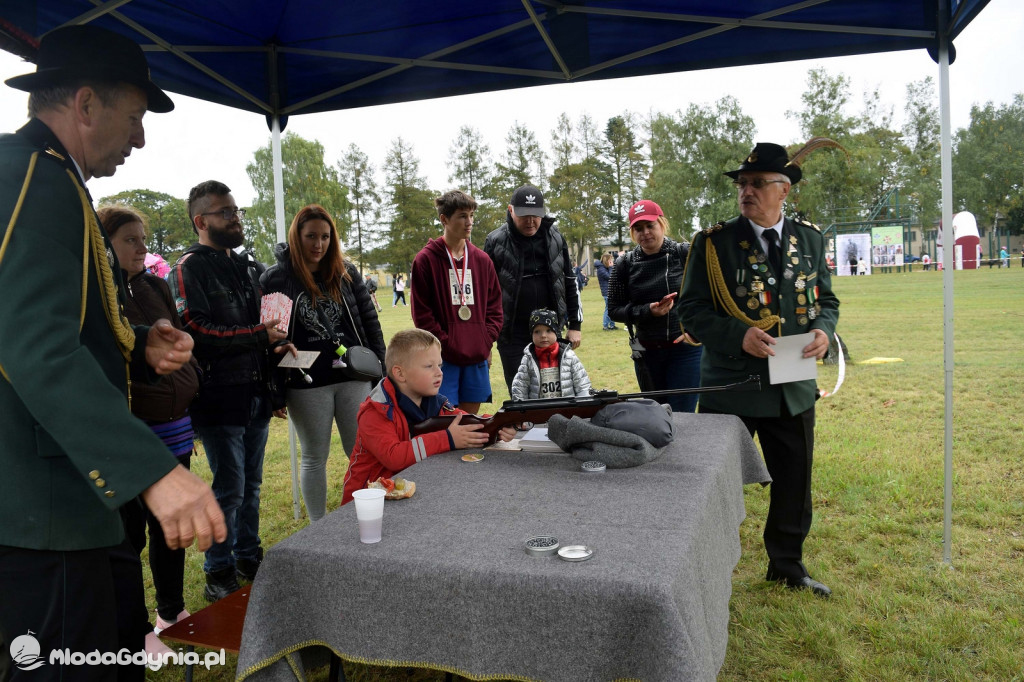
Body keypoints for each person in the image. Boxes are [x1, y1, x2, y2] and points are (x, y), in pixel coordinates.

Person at [0, 25, 224, 679]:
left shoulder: (52, 180)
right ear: (87, 105)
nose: (141, 137)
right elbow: (33, 348)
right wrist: (151, 471)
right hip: (47, 518)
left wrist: (131, 343)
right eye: (134, 117)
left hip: (68, 509)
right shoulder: (33, 182)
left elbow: (53, 324)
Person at [679, 141, 840, 598]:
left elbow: (825, 301)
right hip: (732, 380)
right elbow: (692, 310)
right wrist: (738, 334)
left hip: (792, 376)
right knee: (711, 482)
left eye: (756, 184)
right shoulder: (714, 243)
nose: (745, 191)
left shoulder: (809, 238)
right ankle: (699, 568)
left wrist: (824, 331)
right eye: (742, 184)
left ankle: (787, 565)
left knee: (794, 477)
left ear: (783, 190)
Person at [169, 180, 292, 602]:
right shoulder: (188, 268)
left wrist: (274, 346)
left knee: (252, 484)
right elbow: (197, 332)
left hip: (255, 390)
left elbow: (258, 324)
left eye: (236, 210)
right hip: (217, 397)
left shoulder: (244, 266)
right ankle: (217, 570)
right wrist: (260, 335)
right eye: (226, 212)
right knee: (229, 487)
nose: (236, 218)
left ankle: (247, 554)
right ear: (201, 221)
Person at [99, 204, 200, 645]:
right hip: (134, 430)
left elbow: (175, 338)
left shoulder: (157, 285)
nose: (142, 247)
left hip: (175, 426)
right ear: (104, 244)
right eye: (129, 239)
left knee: (170, 527)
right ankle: (135, 629)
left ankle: (171, 611)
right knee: (129, 537)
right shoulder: (99, 297)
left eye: (143, 238)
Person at [260, 204, 385, 522]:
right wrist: (274, 391)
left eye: (325, 236)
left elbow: (369, 322)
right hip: (305, 381)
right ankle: (317, 526)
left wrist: (380, 369)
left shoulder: (345, 271)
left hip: (352, 375)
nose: (318, 244)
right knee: (314, 455)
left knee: (361, 451)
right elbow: (269, 341)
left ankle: (367, 513)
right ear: (296, 236)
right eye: (310, 236)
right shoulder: (275, 278)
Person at [340, 329, 516, 505]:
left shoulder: (434, 402)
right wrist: (446, 438)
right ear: (400, 373)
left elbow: (465, 421)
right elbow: (394, 457)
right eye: (429, 366)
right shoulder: (375, 411)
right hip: (365, 501)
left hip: (405, 496)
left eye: (440, 365)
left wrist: (497, 426)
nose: (439, 373)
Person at [411, 190, 502, 414]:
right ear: (444, 219)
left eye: (471, 215)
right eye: (462, 216)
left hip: (476, 357)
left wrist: (484, 341)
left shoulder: (482, 260)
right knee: (445, 420)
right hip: (444, 359)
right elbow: (422, 314)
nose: (469, 222)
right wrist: (446, 344)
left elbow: (495, 308)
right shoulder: (426, 260)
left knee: (471, 423)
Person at [484, 184, 583, 392]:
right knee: (520, 392)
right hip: (512, 334)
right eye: (524, 215)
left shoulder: (555, 237)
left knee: (554, 392)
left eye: (535, 215)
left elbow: (569, 280)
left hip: (551, 331)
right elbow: (486, 294)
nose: (530, 221)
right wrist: (487, 341)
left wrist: (575, 324)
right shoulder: (495, 241)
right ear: (511, 211)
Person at [607, 200, 702, 413]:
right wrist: (647, 311)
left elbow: (708, 297)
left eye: (650, 225)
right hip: (647, 353)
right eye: (638, 228)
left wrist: (696, 334)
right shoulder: (625, 263)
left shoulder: (684, 253)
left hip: (685, 350)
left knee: (681, 416)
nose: (645, 232)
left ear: (662, 224)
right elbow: (613, 309)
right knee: (656, 417)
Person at [511, 309, 592, 400]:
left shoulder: (569, 356)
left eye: (548, 330)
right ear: (531, 334)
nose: (543, 335)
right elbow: (520, 388)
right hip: (538, 411)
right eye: (537, 331)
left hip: (567, 410)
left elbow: (582, 385)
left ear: (556, 332)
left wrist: (583, 405)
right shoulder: (528, 359)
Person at [595, 253, 618, 330]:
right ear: (606, 260)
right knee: (608, 309)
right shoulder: (601, 269)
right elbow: (610, 277)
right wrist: (611, 267)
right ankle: (605, 325)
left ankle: (612, 324)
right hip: (607, 292)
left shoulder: (605, 268)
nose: (611, 261)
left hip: (610, 291)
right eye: (610, 260)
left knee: (611, 308)